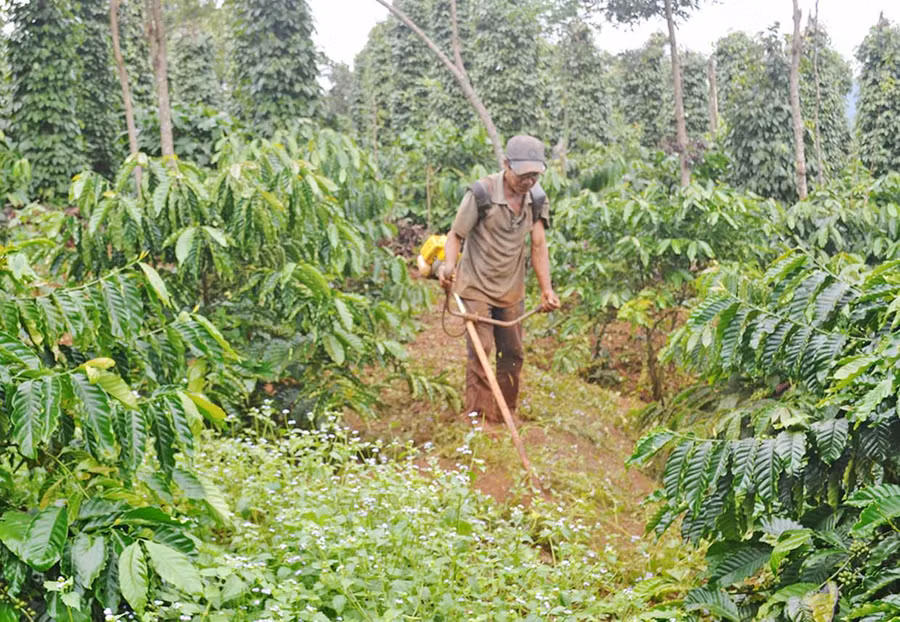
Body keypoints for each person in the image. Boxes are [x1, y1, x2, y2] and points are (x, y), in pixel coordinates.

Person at [438, 135, 561, 423]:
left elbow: (539, 245)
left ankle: (505, 413)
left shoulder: (537, 199)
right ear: (506, 165)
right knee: (482, 349)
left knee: (513, 352)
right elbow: (456, 236)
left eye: (534, 175)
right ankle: (478, 417)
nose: (528, 181)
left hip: (511, 288)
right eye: (523, 175)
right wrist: (449, 266)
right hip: (476, 285)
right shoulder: (482, 193)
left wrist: (547, 290)